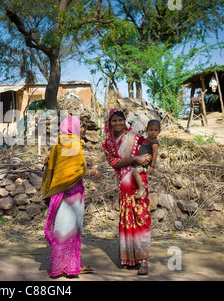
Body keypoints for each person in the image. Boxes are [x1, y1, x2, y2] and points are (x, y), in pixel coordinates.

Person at [41, 115, 101, 278]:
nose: (83, 130)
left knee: (62, 229)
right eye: (80, 126)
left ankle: (63, 266)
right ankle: (66, 267)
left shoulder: (61, 143)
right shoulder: (73, 143)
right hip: (71, 194)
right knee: (69, 230)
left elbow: (63, 166)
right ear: (72, 128)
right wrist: (92, 172)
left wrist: (85, 163)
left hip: (60, 194)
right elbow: (74, 172)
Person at [102, 109, 152, 275]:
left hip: (139, 184)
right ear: (109, 123)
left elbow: (149, 149)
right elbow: (115, 163)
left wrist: (146, 159)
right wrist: (134, 159)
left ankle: (143, 260)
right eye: (114, 121)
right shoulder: (108, 143)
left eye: (120, 120)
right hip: (123, 185)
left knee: (141, 218)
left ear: (125, 121)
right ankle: (129, 258)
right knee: (127, 218)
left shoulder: (136, 137)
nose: (117, 123)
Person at [132, 119, 160, 199]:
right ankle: (139, 186)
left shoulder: (154, 142)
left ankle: (141, 189)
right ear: (146, 129)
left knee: (135, 171)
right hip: (140, 163)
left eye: (156, 130)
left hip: (146, 166)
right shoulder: (146, 140)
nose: (153, 132)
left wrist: (152, 166)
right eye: (151, 130)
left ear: (159, 132)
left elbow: (155, 154)